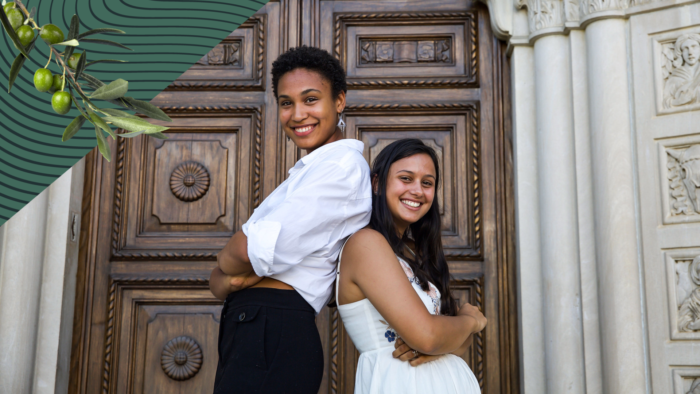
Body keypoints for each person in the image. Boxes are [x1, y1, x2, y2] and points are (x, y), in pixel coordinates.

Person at [209, 45, 372, 394]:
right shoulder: (309, 173)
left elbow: (243, 253)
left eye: (310, 99)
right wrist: (228, 274)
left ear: (339, 101)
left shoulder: (341, 169)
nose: (297, 114)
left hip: (274, 329)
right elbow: (217, 283)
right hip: (254, 327)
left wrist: (226, 262)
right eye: (286, 103)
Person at [336, 139, 486, 394]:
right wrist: (472, 320)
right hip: (403, 383)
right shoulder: (366, 244)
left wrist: (443, 338)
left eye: (427, 183)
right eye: (406, 178)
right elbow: (429, 336)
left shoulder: (412, 250)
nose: (418, 190)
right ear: (376, 183)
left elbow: (456, 344)